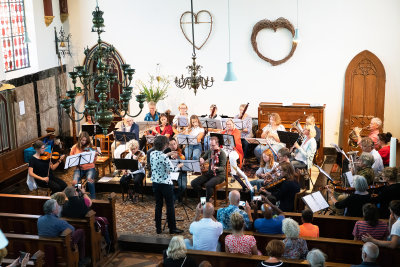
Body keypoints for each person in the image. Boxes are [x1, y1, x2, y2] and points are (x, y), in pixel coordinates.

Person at [37, 199, 90, 266]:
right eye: (57, 206)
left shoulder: (40, 219)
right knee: (80, 231)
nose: (59, 207)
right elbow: (72, 230)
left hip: (44, 249)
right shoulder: (59, 222)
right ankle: (81, 260)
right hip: (59, 249)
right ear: (54, 210)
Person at [150, 135, 183, 234]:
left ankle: (158, 228)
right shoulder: (165, 158)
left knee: (158, 205)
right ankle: (172, 228)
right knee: (170, 206)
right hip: (165, 184)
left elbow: (160, 156)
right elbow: (172, 169)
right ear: (164, 146)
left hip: (155, 183)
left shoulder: (152, 153)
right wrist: (179, 166)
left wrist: (168, 154)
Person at [191, 136, 227, 202]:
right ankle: (204, 197)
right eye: (210, 145)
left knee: (208, 185)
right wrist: (201, 159)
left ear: (217, 144)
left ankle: (207, 201)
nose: (211, 147)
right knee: (194, 183)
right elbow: (203, 158)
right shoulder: (210, 151)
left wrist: (217, 168)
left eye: (213, 145)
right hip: (210, 173)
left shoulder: (222, 154)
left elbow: (223, 168)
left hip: (219, 175)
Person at [70, 131, 97, 199]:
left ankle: (93, 198)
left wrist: (94, 155)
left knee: (90, 180)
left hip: (90, 168)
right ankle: (80, 195)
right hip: (79, 168)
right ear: (79, 139)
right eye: (82, 140)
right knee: (76, 182)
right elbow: (71, 158)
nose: (84, 142)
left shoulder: (91, 147)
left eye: (85, 140)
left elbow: (94, 161)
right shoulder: (75, 147)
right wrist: (76, 163)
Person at [220, 119, 245, 187]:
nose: (229, 126)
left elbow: (235, 141)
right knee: (221, 155)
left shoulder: (236, 132)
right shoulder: (224, 132)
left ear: (233, 124)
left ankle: (234, 175)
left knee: (232, 157)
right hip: (225, 149)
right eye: (227, 124)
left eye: (230, 124)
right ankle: (221, 174)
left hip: (234, 150)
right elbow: (220, 141)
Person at [164, 138, 187, 202]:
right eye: (171, 145)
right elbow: (163, 162)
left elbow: (185, 163)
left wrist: (178, 158)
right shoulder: (166, 152)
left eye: (174, 144)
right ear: (168, 146)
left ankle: (175, 197)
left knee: (183, 186)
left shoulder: (182, 151)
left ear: (176, 144)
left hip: (181, 173)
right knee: (169, 185)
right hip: (171, 173)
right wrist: (169, 157)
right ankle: (173, 198)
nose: (173, 146)